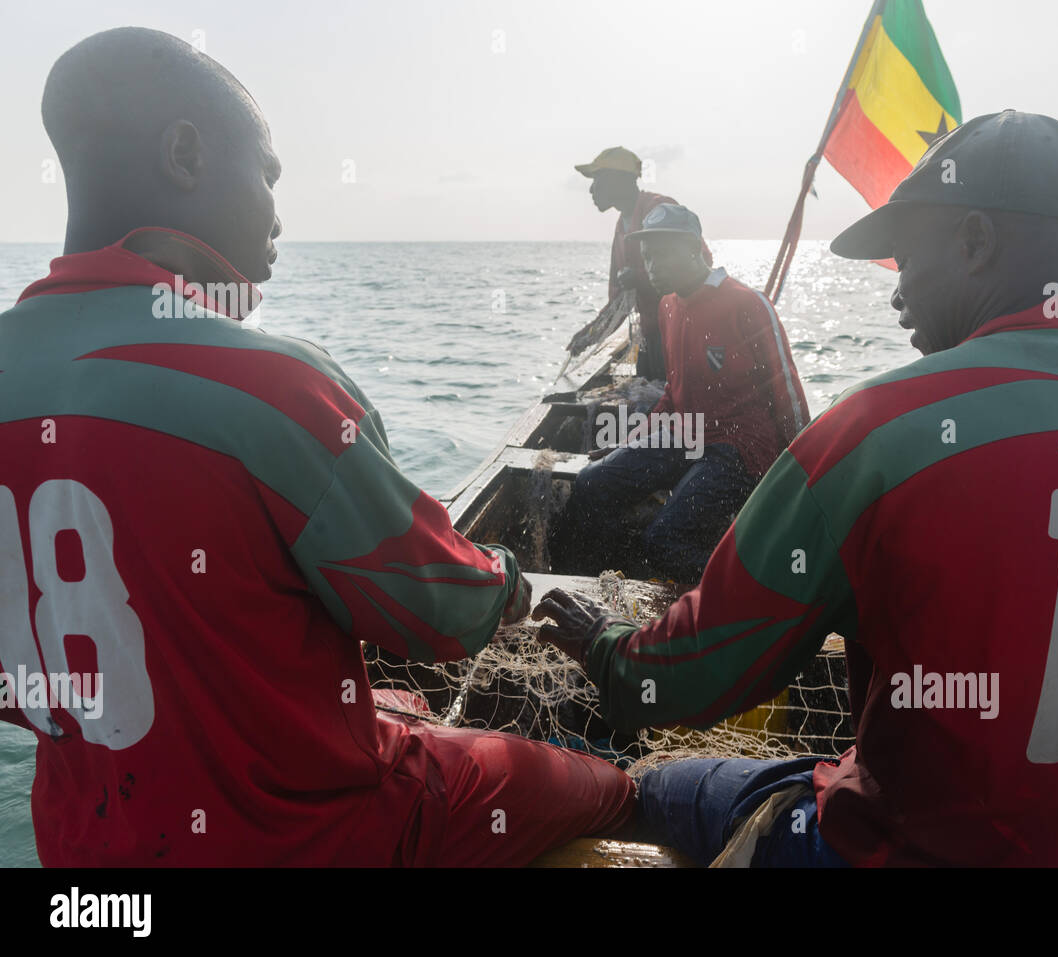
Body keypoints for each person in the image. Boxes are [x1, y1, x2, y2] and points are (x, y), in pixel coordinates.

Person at [535, 110, 1058, 867]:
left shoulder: (876, 434)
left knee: (667, 790)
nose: (895, 293)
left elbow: (686, 679)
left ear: (975, 241)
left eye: (905, 258)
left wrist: (605, 649)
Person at [0, 27, 634, 867]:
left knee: (390, 703)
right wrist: (508, 586)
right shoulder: (270, 384)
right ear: (185, 154)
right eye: (266, 175)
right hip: (321, 837)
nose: (278, 214)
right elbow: (438, 609)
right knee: (603, 785)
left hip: (83, 840)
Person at [553, 203, 808, 582]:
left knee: (666, 539)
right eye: (646, 258)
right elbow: (674, 393)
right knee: (591, 484)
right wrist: (628, 441)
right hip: (687, 432)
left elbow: (786, 391)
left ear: (693, 249)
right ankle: (605, 585)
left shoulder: (747, 304)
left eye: (660, 256)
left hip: (741, 447)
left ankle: (752, 592)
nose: (650, 268)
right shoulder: (668, 306)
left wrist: (805, 471)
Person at [575, 146, 711, 379]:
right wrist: (592, 332)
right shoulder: (621, 227)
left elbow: (701, 262)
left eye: (597, 180)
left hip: (684, 330)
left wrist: (639, 277)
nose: (591, 190)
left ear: (618, 181)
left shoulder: (659, 209)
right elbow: (618, 298)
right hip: (653, 334)